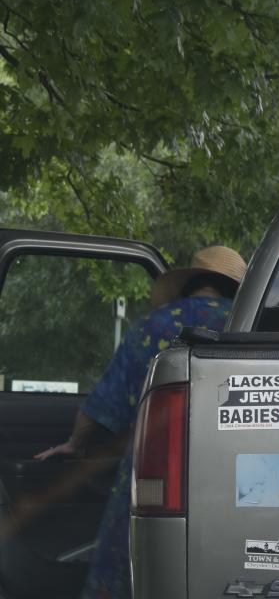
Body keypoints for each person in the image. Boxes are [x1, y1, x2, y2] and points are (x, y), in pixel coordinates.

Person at [35, 245, 247, 599]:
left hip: (152, 478)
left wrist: (75, 443)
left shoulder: (157, 324)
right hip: (231, 480)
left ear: (192, 283)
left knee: (126, 566)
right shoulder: (246, 330)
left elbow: (105, 403)